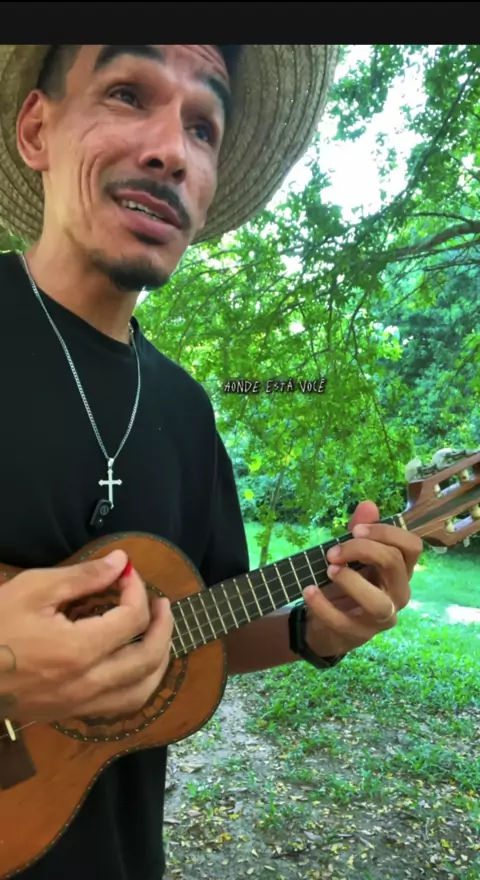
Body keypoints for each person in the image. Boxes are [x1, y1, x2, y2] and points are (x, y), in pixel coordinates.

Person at [0, 44, 423, 880]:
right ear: (38, 130)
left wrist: (311, 628)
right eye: (128, 93)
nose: (172, 150)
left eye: (203, 126)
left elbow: (206, 623)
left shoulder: (187, 411)